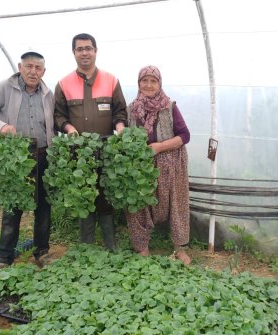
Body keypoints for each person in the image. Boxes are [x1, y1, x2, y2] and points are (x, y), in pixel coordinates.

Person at [0, 51, 54, 269]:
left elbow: (53, 125)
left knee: (43, 207)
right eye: (29, 66)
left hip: (43, 155)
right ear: (20, 67)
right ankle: (4, 257)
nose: (33, 71)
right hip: (16, 157)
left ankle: (42, 252)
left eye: (38, 68)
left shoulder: (48, 93)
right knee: (12, 207)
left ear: (43, 72)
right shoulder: (5, 88)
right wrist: (2, 126)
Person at [54, 33, 127, 250]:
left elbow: (120, 111)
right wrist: (68, 128)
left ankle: (110, 245)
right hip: (78, 151)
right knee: (83, 195)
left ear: (96, 51)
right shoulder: (63, 83)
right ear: (74, 53)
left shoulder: (111, 80)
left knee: (104, 195)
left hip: (105, 149)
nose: (84, 52)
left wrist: (121, 127)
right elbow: (58, 114)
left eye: (88, 48)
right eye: (80, 49)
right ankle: (86, 246)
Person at [126, 65, 191, 265]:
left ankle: (180, 248)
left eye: (153, 81)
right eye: (144, 80)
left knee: (176, 203)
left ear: (159, 84)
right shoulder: (132, 109)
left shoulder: (169, 106)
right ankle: (142, 247)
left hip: (171, 163)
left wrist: (160, 147)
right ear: (138, 84)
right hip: (141, 166)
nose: (148, 85)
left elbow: (185, 136)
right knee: (137, 204)